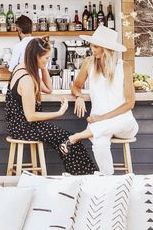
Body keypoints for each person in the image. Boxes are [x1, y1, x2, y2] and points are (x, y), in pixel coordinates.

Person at [6, 38, 96, 174]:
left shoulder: (24, 68)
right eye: (46, 58)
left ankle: (83, 175)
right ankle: (85, 177)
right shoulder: (26, 80)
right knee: (70, 140)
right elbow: (30, 116)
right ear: (36, 56)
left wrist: (43, 67)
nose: (47, 61)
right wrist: (59, 113)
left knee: (69, 139)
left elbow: (49, 88)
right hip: (24, 128)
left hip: (20, 126)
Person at [63, 26, 138, 175]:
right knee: (99, 144)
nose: (92, 49)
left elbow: (130, 103)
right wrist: (79, 97)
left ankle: (78, 136)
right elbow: (76, 86)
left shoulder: (124, 67)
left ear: (106, 48)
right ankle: (107, 179)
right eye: (92, 45)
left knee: (107, 126)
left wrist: (101, 118)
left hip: (125, 124)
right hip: (99, 124)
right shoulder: (89, 63)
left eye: (96, 46)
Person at [7, 15, 52, 93]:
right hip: (37, 87)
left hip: (24, 87)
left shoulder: (18, 46)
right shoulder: (39, 45)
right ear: (32, 29)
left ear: (19, 30)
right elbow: (49, 89)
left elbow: (13, 70)